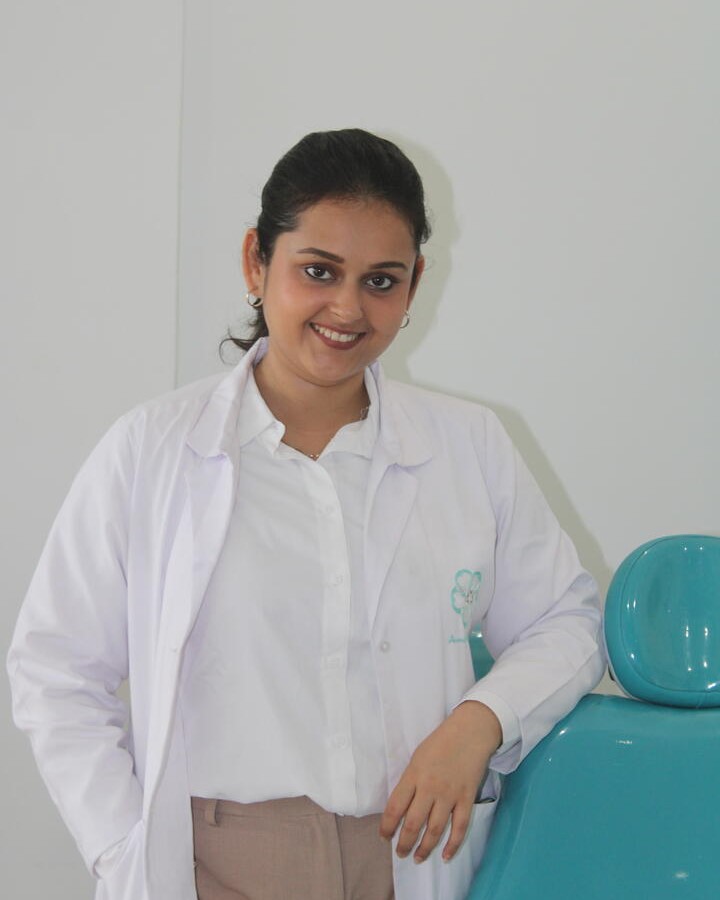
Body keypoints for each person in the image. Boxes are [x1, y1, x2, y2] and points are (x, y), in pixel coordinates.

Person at [8, 128, 605, 900]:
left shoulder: (470, 446)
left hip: (409, 857)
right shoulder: (151, 451)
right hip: (214, 865)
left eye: (382, 280)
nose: (347, 308)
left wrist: (479, 723)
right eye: (318, 271)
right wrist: (123, 849)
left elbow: (566, 621)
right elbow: (56, 669)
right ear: (256, 261)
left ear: (416, 284)